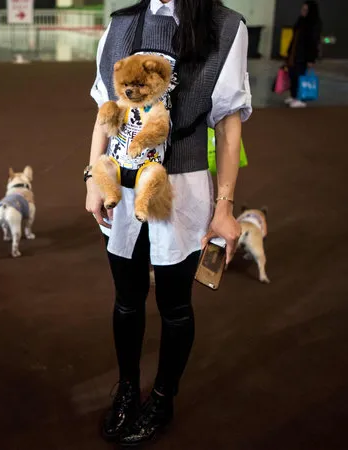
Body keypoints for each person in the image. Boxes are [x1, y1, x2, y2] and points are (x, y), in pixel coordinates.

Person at [85, 0, 251, 445]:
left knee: (175, 305)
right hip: (121, 181)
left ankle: (162, 396)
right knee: (127, 298)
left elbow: (229, 124)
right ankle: (127, 389)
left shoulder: (225, 26)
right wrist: (91, 178)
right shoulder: (121, 23)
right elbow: (105, 109)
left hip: (183, 186)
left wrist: (225, 204)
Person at [285, 1, 322, 108]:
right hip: (294, 54)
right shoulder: (301, 21)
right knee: (292, 75)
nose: (303, 11)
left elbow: (314, 42)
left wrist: (311, 59)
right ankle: (293, 96)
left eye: (305, 10)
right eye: (302, 9)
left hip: (303, 56)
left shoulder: (314, 24)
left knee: (300, 77)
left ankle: (300, 98)